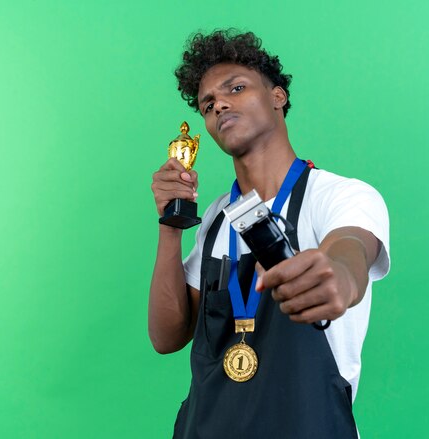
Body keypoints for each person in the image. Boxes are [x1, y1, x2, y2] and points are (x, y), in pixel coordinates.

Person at [149, 30, 390, 439]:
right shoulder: (215, 218)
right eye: (207, 104)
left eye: (236, 88)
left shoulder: (342, 196)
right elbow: (167, 336)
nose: (219, 104)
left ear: (278, 96)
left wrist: (340, 278)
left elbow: (349, 252)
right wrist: (170, 228)